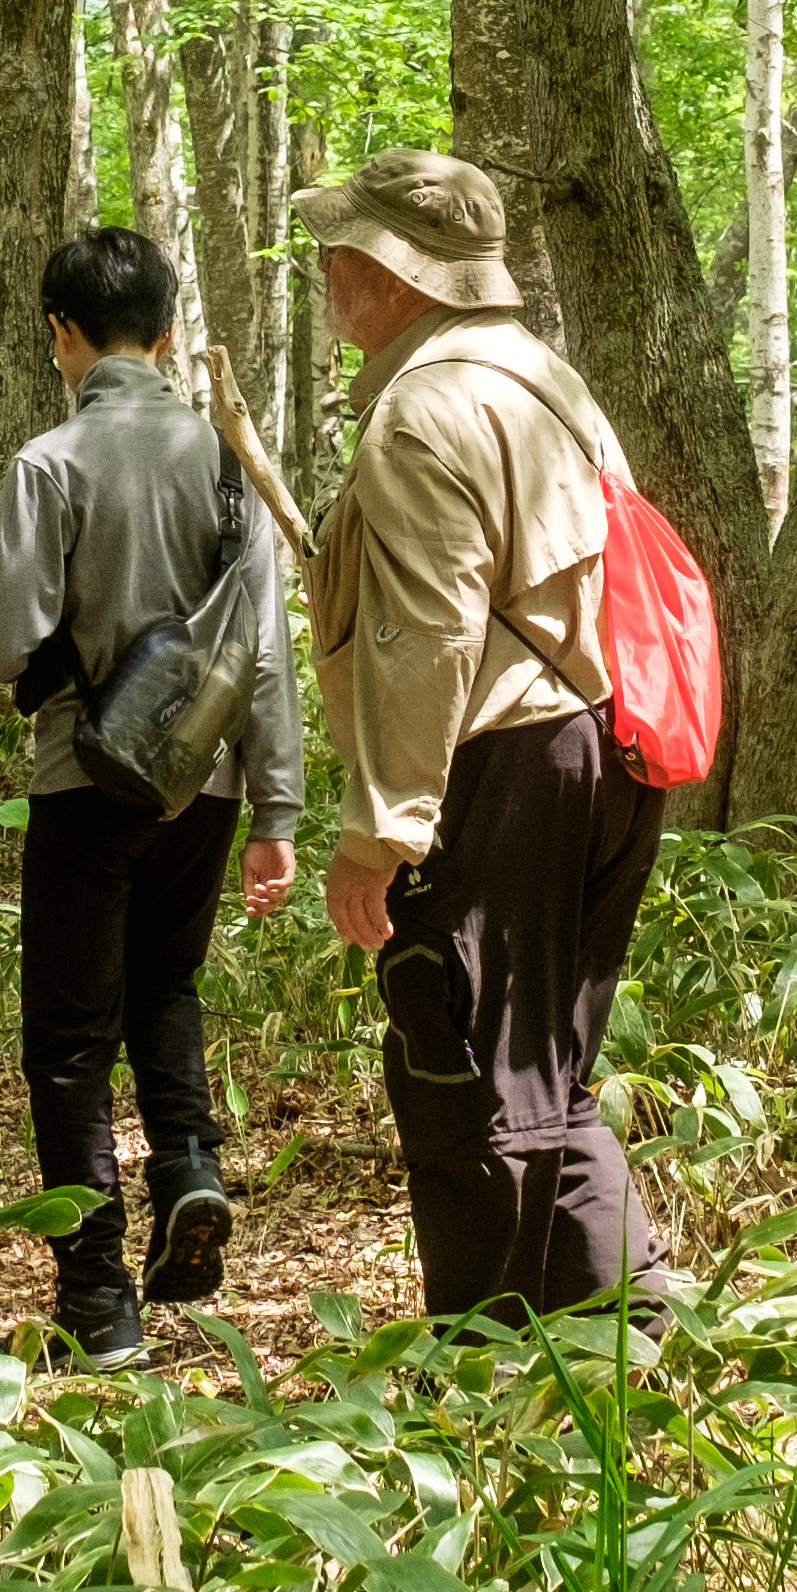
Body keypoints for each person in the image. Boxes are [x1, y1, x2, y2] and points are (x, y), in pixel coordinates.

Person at [296, 148, 672, 1323]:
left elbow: (426, 636)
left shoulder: (421, 409)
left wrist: (380, 830)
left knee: (462, 1077)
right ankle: (629, 1335)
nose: (325, 269)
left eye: (342, 250)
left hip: (501, 760)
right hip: (602, 747)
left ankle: (489, 1367)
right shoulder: (543, 376)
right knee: (539, 1079)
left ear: (400, 275)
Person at [0, 227, 304, 1367]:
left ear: (62, 332)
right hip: (200, 786)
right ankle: (189, 1171)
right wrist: (275, 814)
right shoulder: (221, 467)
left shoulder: (48, 463)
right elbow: (261, 656)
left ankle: (97, 1298)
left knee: (66, 1043)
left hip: (81, 780)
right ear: (165, 335)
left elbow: (6, 643)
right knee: (166, 985)